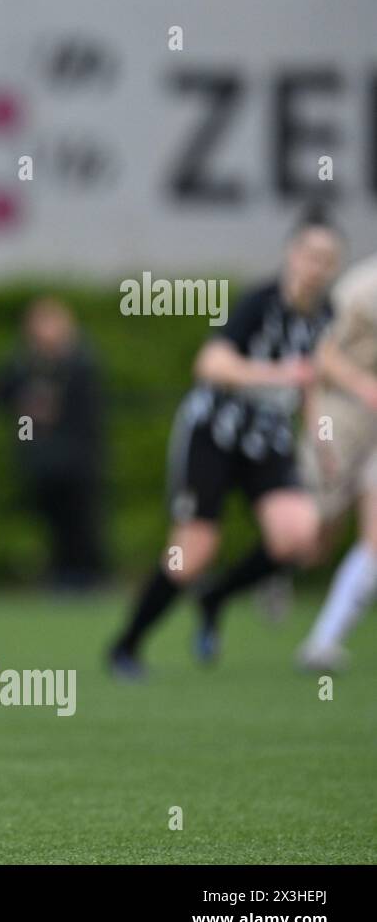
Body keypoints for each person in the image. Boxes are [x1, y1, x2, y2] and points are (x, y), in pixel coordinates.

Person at [107, 210, 343, 677]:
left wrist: (322, 438)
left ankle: (217, 598)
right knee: (192, 552)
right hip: (214, 434)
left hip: (267, 440)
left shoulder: (326, 314)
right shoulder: (259, 303)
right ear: (291, 255)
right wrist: (274, 374)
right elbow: (210, 365)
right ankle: (126, 647)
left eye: (328, 259)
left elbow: (309, 380)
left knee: (299, 535)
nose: (317, 266)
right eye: (310, 255)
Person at [293, 251, 377, 670]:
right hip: (342, 413)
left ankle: (323, 642)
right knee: (316, 535)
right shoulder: (363, 287)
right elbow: (318, 353)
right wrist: (363, 385)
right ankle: (274, 569)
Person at [0, 297, 105, 590]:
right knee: (50, 521)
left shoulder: (80, 362)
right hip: (40, 458)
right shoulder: (23, 363)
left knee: (81, 520)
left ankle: (85, 578)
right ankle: (58, 576)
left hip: (77, 458)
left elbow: (90, 411)